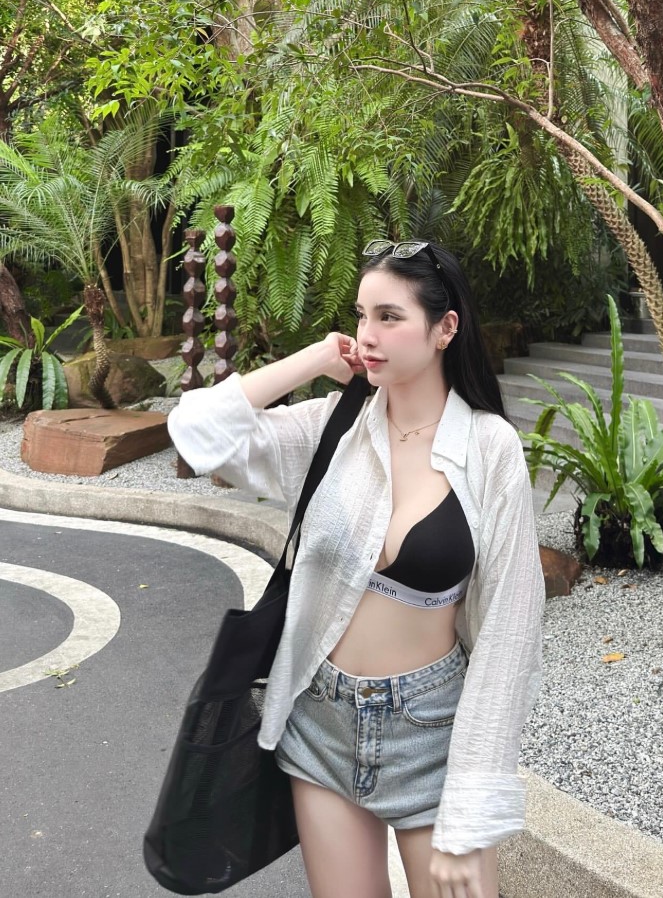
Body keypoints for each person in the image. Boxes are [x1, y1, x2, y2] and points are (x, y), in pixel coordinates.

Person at [168, 239, 545, 898]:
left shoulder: (490, 449)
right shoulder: (333, 427)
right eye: (361, 316)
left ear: (445, 328)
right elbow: (197, 433)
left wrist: (468, 815)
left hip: (430, 730)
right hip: (321, 720)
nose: (368, 335)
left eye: (389, 317)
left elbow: (510, 634)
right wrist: (316, 358)